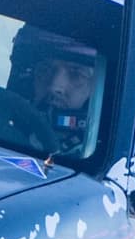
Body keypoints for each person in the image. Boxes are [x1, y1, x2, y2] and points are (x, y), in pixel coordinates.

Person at [13, 26, 105, 161]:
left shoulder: (97, 162)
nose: (54, 86)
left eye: (77, 75)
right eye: (45, 69)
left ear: (95, 90)